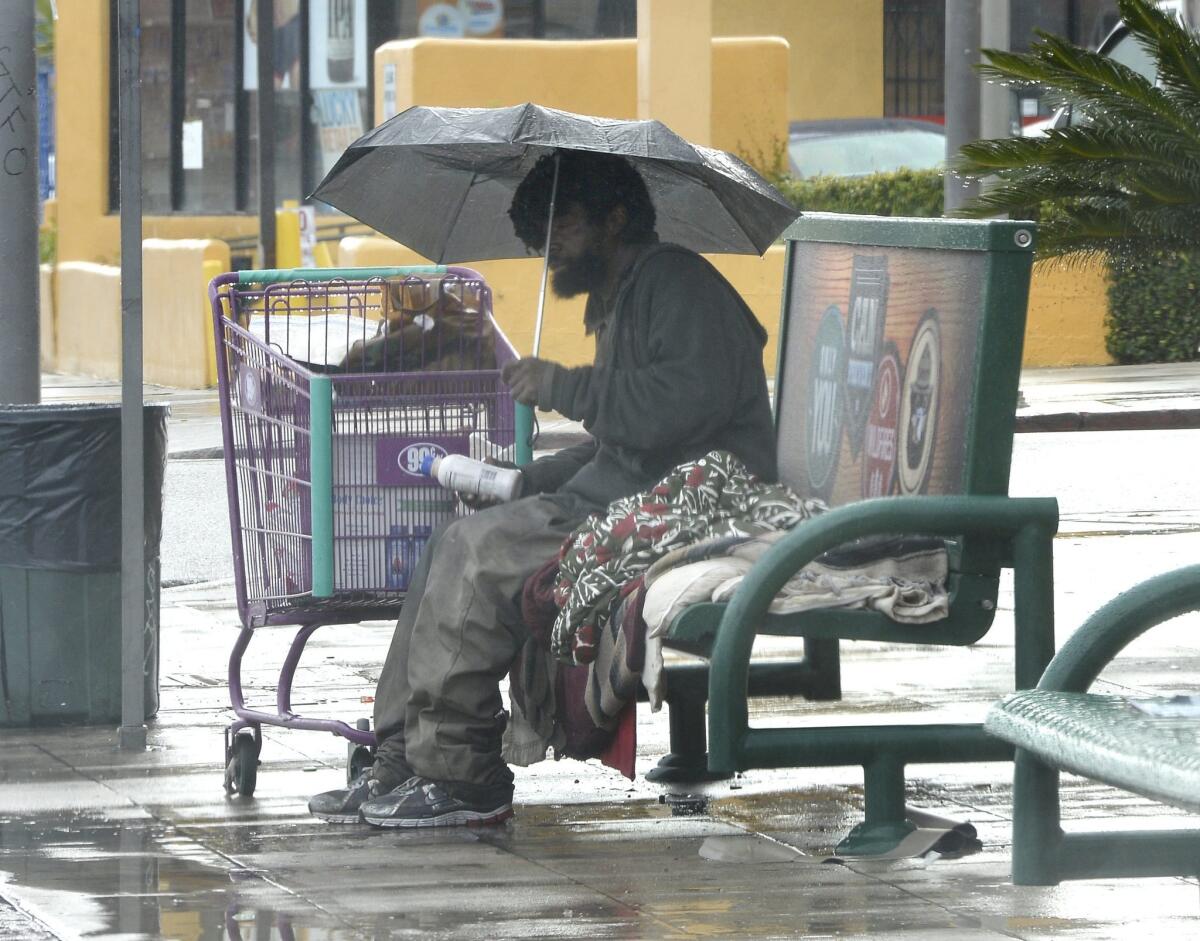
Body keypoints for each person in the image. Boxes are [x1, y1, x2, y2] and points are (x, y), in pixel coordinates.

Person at [308, 150, 778, 828]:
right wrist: (526, 480)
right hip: (626, 497)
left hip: (689, 506)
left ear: (616, 220)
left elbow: (677, 407)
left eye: (563, 229)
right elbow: (620, 441)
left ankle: (461, 772)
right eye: (541, 236)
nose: (549, 249)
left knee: (479, 554)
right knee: (450, 539)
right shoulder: (622, 296)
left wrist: (565, 385)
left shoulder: (676, 285)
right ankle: (400, 755)